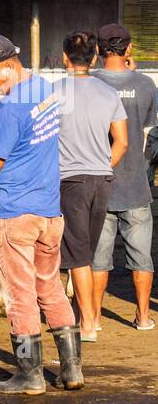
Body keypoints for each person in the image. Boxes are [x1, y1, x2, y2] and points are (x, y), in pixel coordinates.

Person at [0, 34, 82, 395]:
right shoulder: (41, 89)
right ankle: (71, 369)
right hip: (49, 212)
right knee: (51, 288)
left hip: (15, 214)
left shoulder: (9, 106)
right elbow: (14, 140)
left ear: (5, 66)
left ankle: (29, 373)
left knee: (19, 294)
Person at [56, 30, 128, 342]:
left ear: (63, 58)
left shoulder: (53, 92)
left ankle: (86, 322)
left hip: (70, 181)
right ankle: (85, 316)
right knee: (85, 250)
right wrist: (100, 166)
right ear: (95, 57)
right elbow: (122, 143)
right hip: (102, 181)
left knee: (77, 255)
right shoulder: (108, 93)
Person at [92, 22, 157, 331]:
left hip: (98, 186)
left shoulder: (87, 84)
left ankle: (92, 318)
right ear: (129, 49)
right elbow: (148, 130)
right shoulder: (146, 86)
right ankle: (143, 316)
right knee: (142, 256)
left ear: (97, 50)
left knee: (97, 258)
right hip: (136, 186)